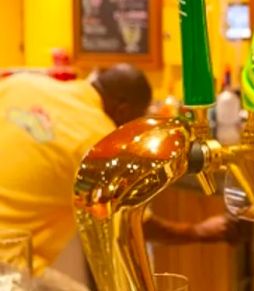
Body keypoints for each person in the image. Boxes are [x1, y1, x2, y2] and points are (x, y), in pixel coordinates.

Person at [0, 64, 237, 276]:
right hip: (8, 264)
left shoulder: (21, 84)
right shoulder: (99, 141)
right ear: (123, 110)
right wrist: (198, 231)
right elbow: (131, 225)